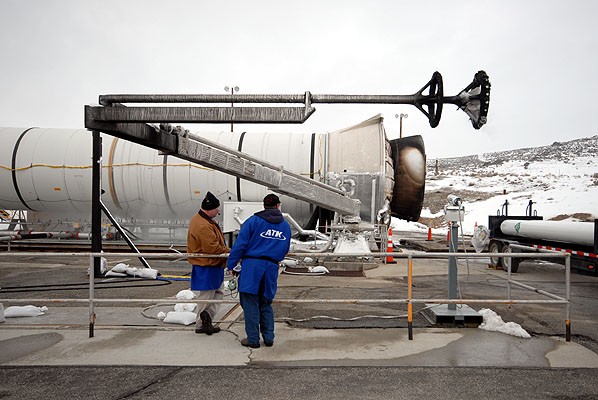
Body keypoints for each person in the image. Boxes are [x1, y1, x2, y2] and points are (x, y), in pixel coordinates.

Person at [227, 193, 291, 348]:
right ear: (278, 206)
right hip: (271, 268)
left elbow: (239, 245)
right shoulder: (285, 226)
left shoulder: (253, 221)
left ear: (264, 205)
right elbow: (285, 249)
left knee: (250, 303)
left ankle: (253, 339)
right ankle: (269, 337)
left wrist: (231, 265)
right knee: (266, 303)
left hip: (252, 267)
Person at [187, 191, 230, 335]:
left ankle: (207, 319)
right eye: (217, 209)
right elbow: (212, 248)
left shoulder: (203, 220)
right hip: (207, 264)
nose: (218, 212)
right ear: (210, 208)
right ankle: (201, 323)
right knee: (207, 296)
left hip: (212, 264)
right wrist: (231, 251)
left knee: (217, 292)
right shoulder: (203, 225)